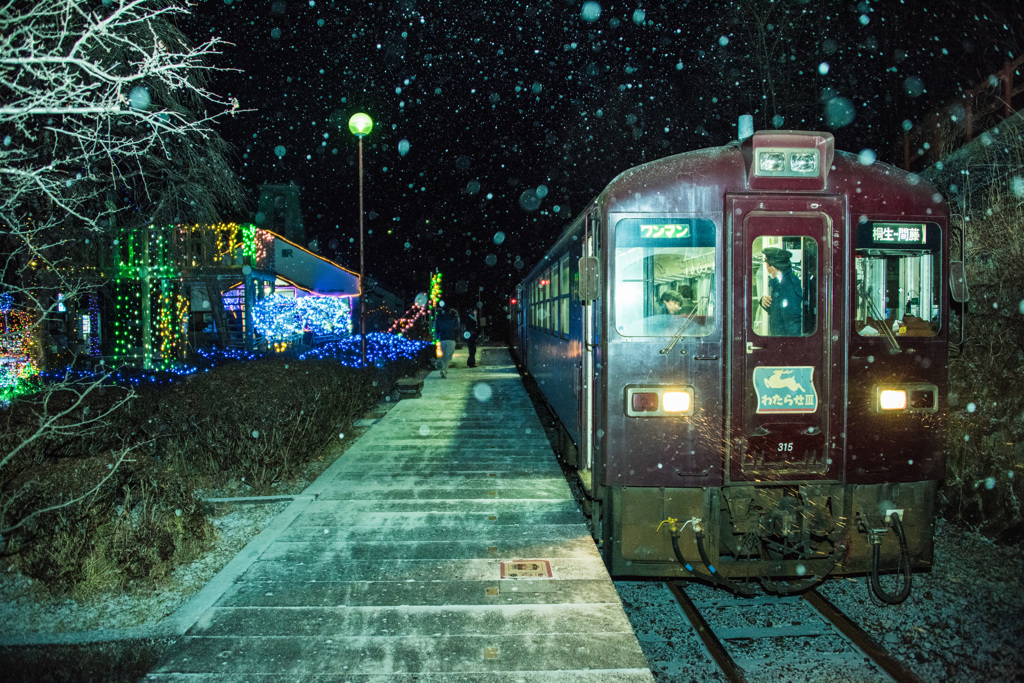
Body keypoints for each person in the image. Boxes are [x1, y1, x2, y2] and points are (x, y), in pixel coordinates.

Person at [759, 247, 802, 336]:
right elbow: (779, 312)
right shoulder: (779, 283)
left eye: (766, 265)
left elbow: (793, 322)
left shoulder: (788, 285)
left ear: (771, 268)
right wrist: (763, 301)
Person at [434, 306, 459, 378]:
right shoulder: (454, 318)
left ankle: (442, 369)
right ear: (450, 311)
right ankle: (444, 370)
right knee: (448, 357)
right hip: (451, 339)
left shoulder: (439, 318)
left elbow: (436, 329)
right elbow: (457, 329)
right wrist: (456, 338)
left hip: (442, 339)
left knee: (442, 356)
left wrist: (438, 337)